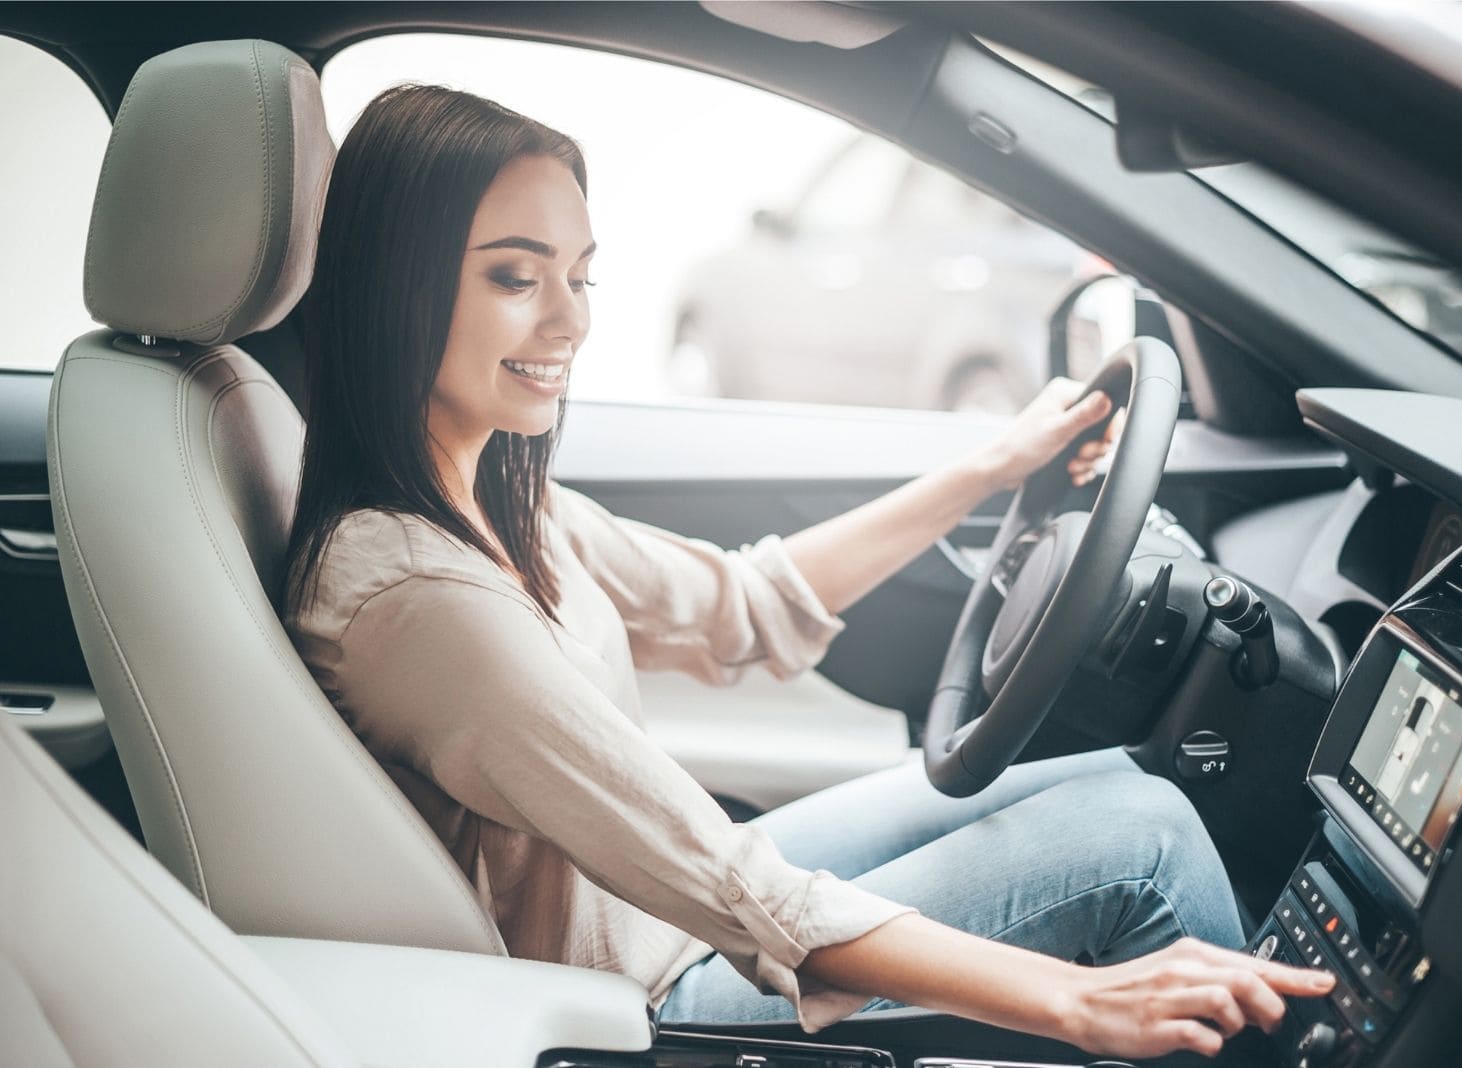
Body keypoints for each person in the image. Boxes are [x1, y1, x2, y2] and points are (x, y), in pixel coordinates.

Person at [282, 83, 1334, 1061]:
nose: (572, 320)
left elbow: (741, 606)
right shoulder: (420, 599)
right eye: (516, 277)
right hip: (637, 998)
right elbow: (738, 889)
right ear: (400, 287)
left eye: (580, 274)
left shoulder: (494, 500)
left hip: (661, 917)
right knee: (1135, 842)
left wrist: (988, 468)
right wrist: (1076, 1002)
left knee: (1116, 778)